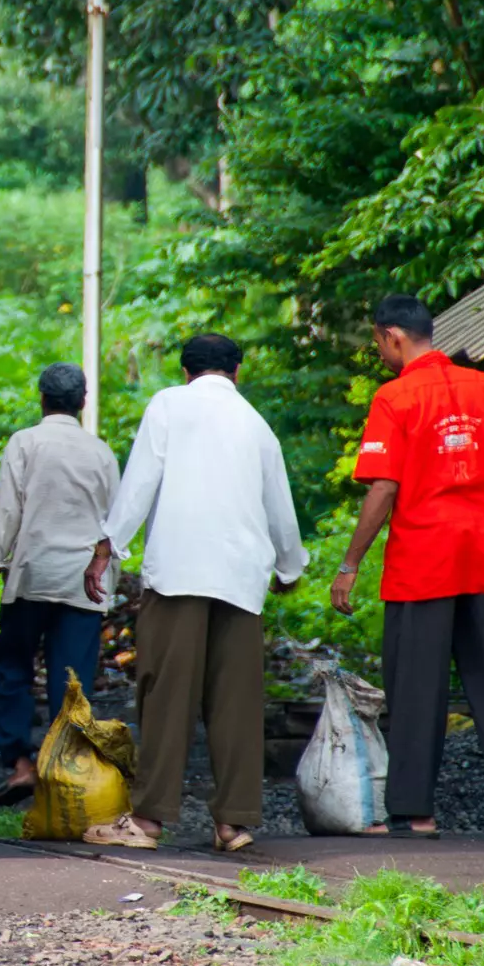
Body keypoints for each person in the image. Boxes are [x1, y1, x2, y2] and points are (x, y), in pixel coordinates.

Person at [331, 294, 484, 843]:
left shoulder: (395, 396)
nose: (379, 351)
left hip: (421, 566)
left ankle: (417, 813)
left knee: (415, 687)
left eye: (378, 342)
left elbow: (385, 486)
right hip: (482, 561)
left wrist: (350, 564)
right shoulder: (483, 388)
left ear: (392, 337)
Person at [80, 333, 307, 852]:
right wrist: (290, 567)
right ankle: (233, 824)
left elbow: (139, 483)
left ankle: (150, 821)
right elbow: (280, 504)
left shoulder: (169, 405)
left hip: (180, 570)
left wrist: (107, 547)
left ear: (185, 372)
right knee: (236, 704)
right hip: (241, 580)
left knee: (166, 696)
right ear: (237, 371)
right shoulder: (257, 424)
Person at [0, 362, 119, 805]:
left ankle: (21, 764)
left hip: (32, 574)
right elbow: (116, 520)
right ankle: (61, 770)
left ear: (42, 398)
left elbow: (7, 513)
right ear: (82, 401)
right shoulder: (101, 453)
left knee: (13, 666)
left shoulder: (26, 443)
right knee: (73, 681)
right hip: (84, 582)